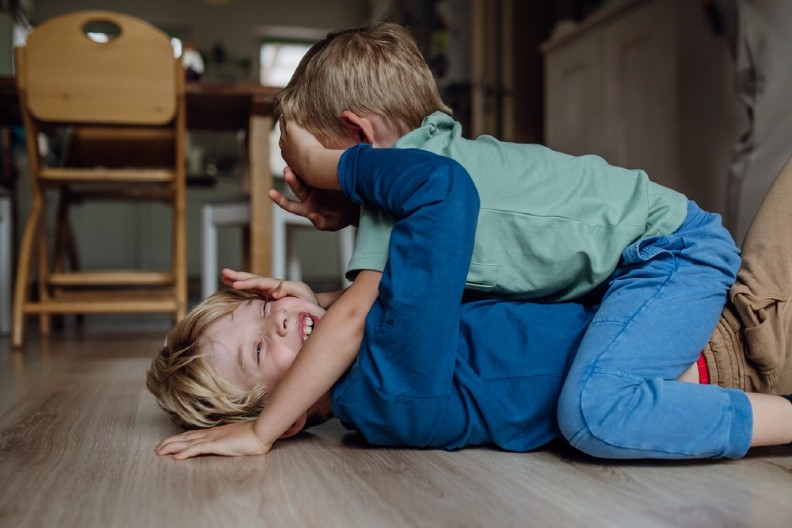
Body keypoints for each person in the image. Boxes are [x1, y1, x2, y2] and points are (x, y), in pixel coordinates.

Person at [150, 140, 792, 461]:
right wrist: (335, 166)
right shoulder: (389, 386)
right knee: (595, 411)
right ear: (288, 418)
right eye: (263, 346)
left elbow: (375, 306)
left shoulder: (378, 374)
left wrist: (314, 300)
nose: (281, 316)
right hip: (734, 355)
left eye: (262, 308)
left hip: (703, 311)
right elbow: (441, 190)